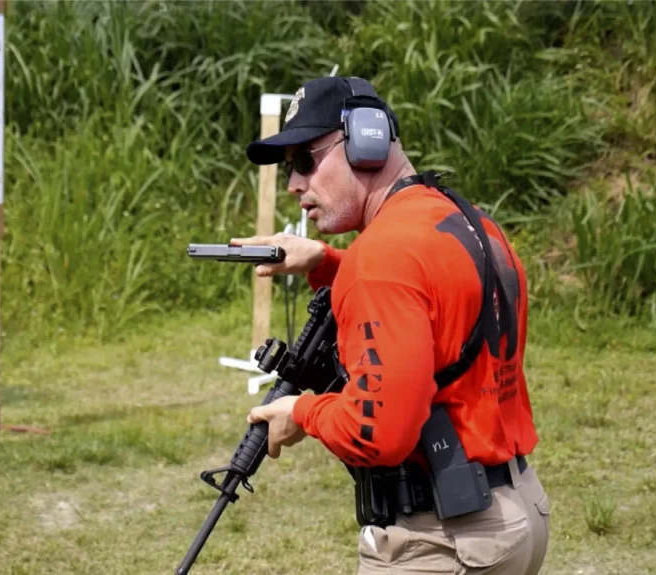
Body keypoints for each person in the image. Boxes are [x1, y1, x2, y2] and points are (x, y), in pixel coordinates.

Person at [232, 76, 550, 574]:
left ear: (366, 141)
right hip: (516, 511)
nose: (294, 183)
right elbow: (434, 301)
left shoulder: (381, 259)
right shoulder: (467, 220)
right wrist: (328, 263)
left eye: (305, 161)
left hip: (442, 541)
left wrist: (303, 413)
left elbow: (378, 433)